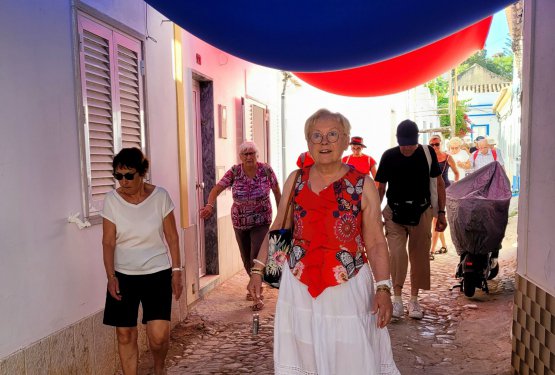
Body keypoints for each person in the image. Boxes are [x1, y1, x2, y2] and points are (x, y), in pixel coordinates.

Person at [249, 109, 399, 374]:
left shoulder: (362, 184)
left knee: (351, 356)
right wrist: (258, 270)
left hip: (348, 288)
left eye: (332, 135)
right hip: (299, 288)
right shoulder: (296, 179)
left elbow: (375, 241)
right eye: (316, 136)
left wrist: (384, 289)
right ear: (308, 143)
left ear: (345, 141)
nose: (324, 142)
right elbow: (280, 228)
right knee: (305, 354)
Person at [101, 147, 183, 375]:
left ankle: (159, 368)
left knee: (158, 336)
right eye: (118, 176)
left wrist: (177, 271)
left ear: (142, 173)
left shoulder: (160, 197)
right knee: (125, 333)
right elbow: (108, 242)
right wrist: (110, 277)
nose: (123, 182)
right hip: (123, 275)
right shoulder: (111, 200)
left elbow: (173, 237)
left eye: (129, 175)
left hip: (157, 273)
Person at [375, 120, 447, 320]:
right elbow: (380, 188)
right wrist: (373, 216)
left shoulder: (427, 153)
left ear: (417, 140)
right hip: (394, 212)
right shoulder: (389, 156)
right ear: (398, 141)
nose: (407, 148)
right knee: (397, 254)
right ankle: (397, 299)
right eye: (403, 144)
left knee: (419, 256)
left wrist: (441, 212)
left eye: (411, 144)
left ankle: (414, 300)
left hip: (421, 211)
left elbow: (439, 184)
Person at [200, 141, 281, 302]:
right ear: (241, 156)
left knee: (256, 253)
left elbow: (277, 192)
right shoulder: (235, 171)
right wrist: (209, 205)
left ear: (257, 155)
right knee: (245, 257)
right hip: (239, 221)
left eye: (252, 153)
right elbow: (216, 189)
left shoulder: (266, 170)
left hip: (261, 219)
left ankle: (257, 292)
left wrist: (282, 216)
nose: (249, 156)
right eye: (245, 154)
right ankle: (254, 283)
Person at [428, 135, 459, 259]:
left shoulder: (447, 158)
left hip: (444, 191)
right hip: (431, 191)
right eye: (432, 144)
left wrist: (455, 185)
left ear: (441, 144)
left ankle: (431, 250)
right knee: (434, 219)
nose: (435, 146)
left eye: (437, 144)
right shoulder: (428, 158)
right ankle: (444, 246)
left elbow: (456, 173)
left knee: (436, 220)